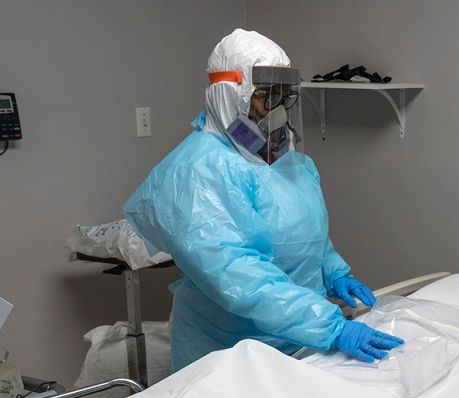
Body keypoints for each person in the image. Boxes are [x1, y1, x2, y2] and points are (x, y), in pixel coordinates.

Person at [124, 28, 402, 372]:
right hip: (230, 355)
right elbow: (239, 275)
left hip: (298, 340)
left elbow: (306, 234)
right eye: (267, 98)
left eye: (285, 98)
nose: (279, 112)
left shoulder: (282, 161)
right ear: (230, 96)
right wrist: (330, 327)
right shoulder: (198, 171)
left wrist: (332, 270)